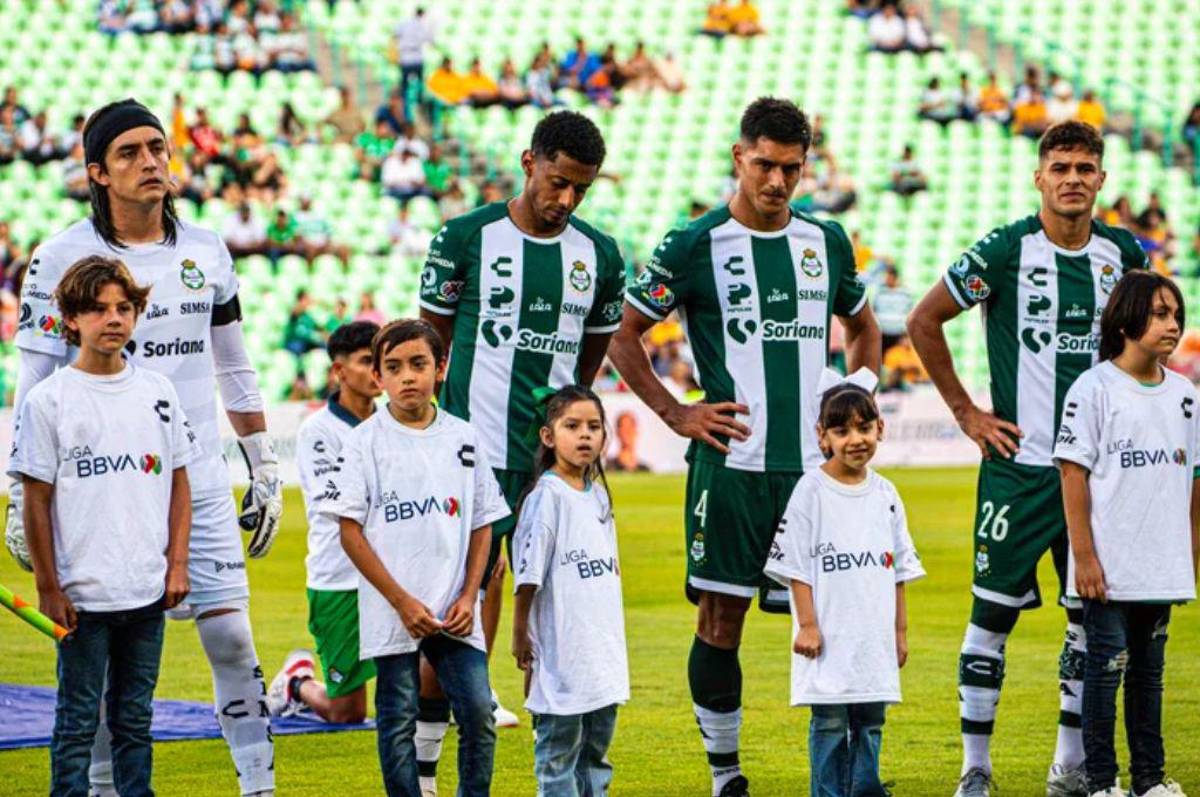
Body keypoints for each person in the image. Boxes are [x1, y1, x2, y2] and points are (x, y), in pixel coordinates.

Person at [7, 99, 282, 797]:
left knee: (232, 640)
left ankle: (260, 785)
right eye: (129, 152)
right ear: (98, 171)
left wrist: (263, 459)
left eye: (157, 147)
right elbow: (34, 378)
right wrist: (19, 491)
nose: (151, 161)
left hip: (198, 478)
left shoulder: (207, 249)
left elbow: (233, 363)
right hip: (98, 489)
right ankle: (102, 788)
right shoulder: (59, 256)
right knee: (98, 659)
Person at [608, 97, 881, 797]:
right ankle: (726, 774)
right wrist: (676, 411)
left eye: (791, 168)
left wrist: (859, 394)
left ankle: (847, 775)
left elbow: (863, 324)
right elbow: (621, 333)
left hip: (815, 474)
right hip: (731, 467)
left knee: (842, 615)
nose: (777, 181)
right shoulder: (694, 243)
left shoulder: (827, 240)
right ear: (739, 157)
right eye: (764, 164)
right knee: (721, 617)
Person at [906, 121, 1149, 797]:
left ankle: (1068, 766)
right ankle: (974, 770)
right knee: (990, 617)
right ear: (1039, 177)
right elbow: (924, 319)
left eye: (1086, 167)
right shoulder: (1006, 249)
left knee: (1087, 621)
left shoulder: (1125, 253)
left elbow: (1148, 345)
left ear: (1102, 179)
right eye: (1061, 166)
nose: (1073, 177)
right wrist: (966, 412)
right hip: (1019, 470)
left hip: (1098, 476)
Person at [417, 109, 626, 782]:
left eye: (580, 190)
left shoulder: (600, 255)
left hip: (550, 466)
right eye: (557, 182)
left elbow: (592, 356)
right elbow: (432, 340)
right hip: (470, 454)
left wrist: (567, 433)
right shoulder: (465, 236)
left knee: (562, 601)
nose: (565, 200)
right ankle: (423, 764)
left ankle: (557, 749)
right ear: (528, 161)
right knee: (450, 602)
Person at [10, 255, 197, 797]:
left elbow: (179, 483)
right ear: (71, 319)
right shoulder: (49, 401)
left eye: (123, 308)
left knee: (135, 723)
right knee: (75, 724)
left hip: (146, 589)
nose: (112, 319)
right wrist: (48, 585)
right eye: (97, 309)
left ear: (137, 314)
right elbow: (35, 500)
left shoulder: (158, 390)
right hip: (82, 597)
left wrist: (177, 563)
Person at [325, 319, 511, 797]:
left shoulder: (464, 438)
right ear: (379, 378)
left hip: (454, 609)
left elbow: (482, 522)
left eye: (418, 364)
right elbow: (349, 532)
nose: (407, 376)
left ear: (441, 368)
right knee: (396, 720)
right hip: (395, 613)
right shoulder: (363, 442)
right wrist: (401, 601)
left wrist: (471, 594)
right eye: (393, 367)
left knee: (477, 714)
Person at [1053, 271, 1196, 797]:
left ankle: (1150, 781)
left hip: (1161, 565)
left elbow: (1194, 478)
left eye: (1175, 314)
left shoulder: (1185, 394)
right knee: (1105, 671)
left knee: (1149, 677)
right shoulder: (1093, 388)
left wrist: (1190, 556)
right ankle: (1099, 783)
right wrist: (1084, 558)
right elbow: (1072, 475)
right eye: (1159, 313)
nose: (1171, 324)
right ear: (1125, 320)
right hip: (1107, 569)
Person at [764, 368, 924, 796]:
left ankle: (865, 789)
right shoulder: (811, 491)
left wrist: (900, 632)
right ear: (823, 436)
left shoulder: (886, 494)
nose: (856, 439)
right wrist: (808, 625)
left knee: (871, 720)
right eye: (841, 430)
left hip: (873, 636)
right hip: (830, 634)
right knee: (831, 722)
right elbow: (796, 565)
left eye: (865, 428)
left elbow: (899, 571)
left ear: (881, 428)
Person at [512, 385, 629, 795]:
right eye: (572, 426)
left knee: (596, 753)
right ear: (548, 436)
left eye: (594, 427)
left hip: (601, 653)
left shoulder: (597, 495)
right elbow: (527, 577)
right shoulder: (546, 498)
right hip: (562, 652)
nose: (585, 435)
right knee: (558, 753)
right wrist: (520, 635)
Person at [267, 321, 381, 723]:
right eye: (367, 361)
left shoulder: (392, 424)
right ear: (339, 371)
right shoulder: (317, 431)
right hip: (339, 578)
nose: (377, 370)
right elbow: (335, 502)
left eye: (381, 360)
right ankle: (296, 684)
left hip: (390, 577)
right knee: (347, 712)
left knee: (416, 690)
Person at [395, 6, 436, 113]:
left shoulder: (404, 23)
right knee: (419, 85)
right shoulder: (423, 25)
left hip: (406, 57)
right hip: (417, 57)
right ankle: (419, 105)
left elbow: (395, 35)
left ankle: (408, 107)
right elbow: (432, 41)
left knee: (405, 87)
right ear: (423, 15)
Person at [873, 265, 913, 354]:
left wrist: (906, 336)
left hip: (899, 335)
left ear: (895, 277)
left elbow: (910, 314)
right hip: (882, 334)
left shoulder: (905, 293)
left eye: (889, 277)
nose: (887, 279)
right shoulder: (879, 292)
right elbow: (874, 311)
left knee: (895, 361)